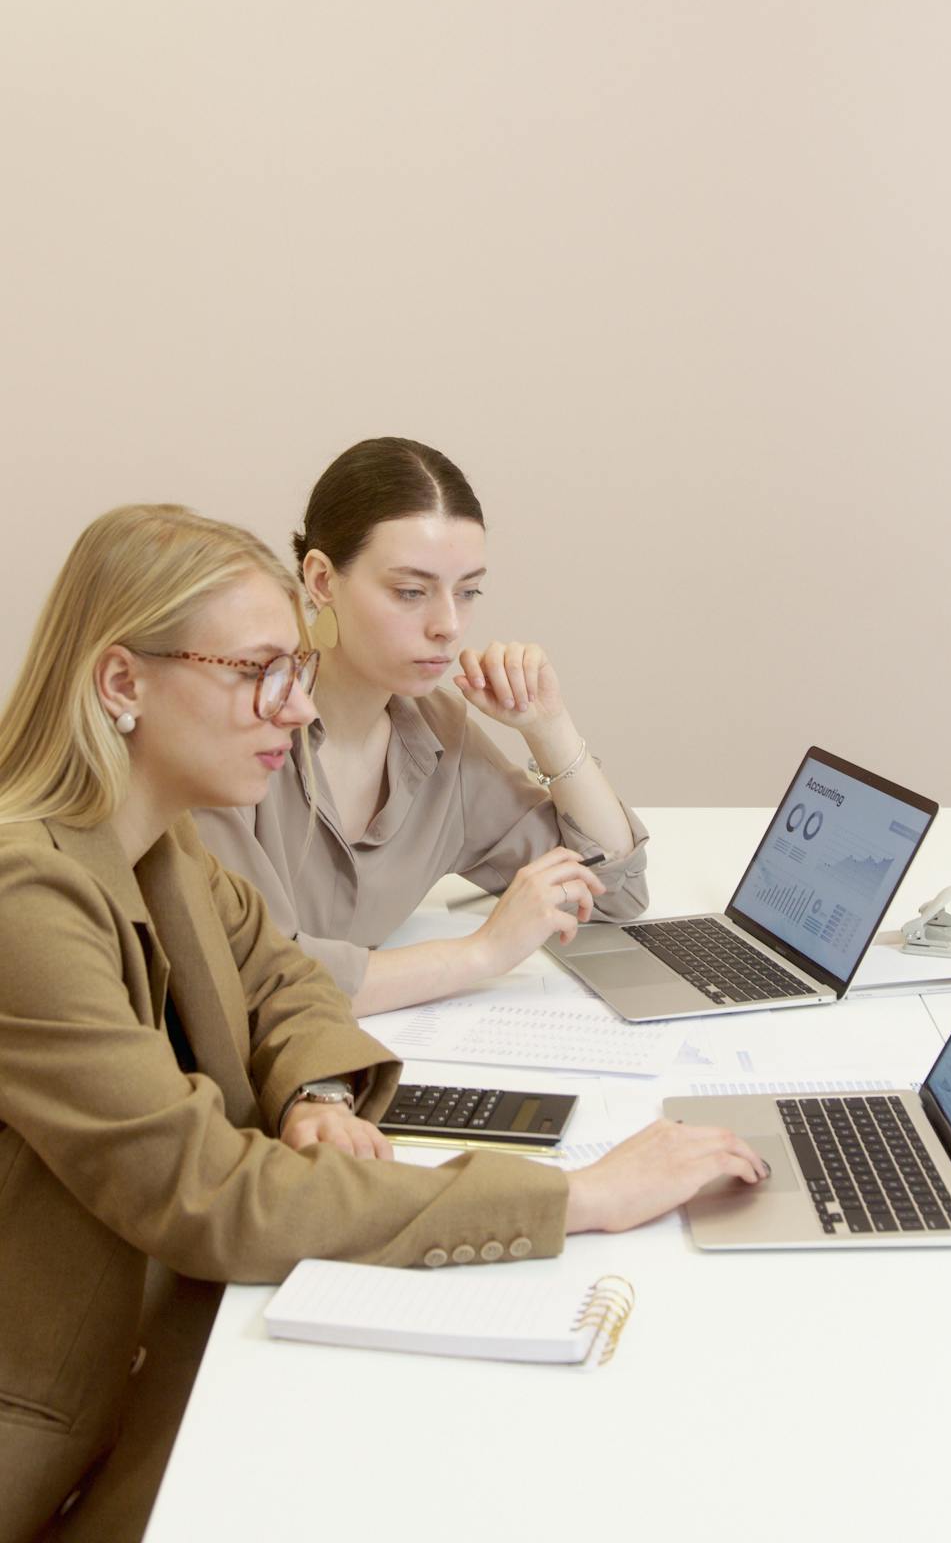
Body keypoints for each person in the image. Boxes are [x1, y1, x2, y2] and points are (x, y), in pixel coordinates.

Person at [0, 504, 764, 1543]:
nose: (295, 705)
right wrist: (576, 1195)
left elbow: (286, 984)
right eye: (258, 671)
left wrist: (313, 1093)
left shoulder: (161, 844)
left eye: (296, 670)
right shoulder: (26, 898)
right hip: (58, 1435)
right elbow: (207, 1193)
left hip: (167, 1344)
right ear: (123, 682)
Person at [197, 437, 650, 1014]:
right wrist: (482, 953)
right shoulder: (235, 732)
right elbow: (251, 982)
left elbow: (615, 892)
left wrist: (547, 726)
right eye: (411, 592)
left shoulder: (440, 734)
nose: (448, 624)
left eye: (468, 591)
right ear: (321, 580)